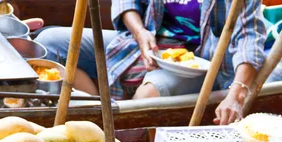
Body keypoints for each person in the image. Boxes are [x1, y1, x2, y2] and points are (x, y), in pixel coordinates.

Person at [35, 0, 267, 125]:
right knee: (49, 43)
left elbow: (249, 38)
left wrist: (236, 94)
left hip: (197, 63)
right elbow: (127, 3)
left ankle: (116, 129)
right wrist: (140, 32)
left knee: (149, 94)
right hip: (143, 42)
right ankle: (100, 115)